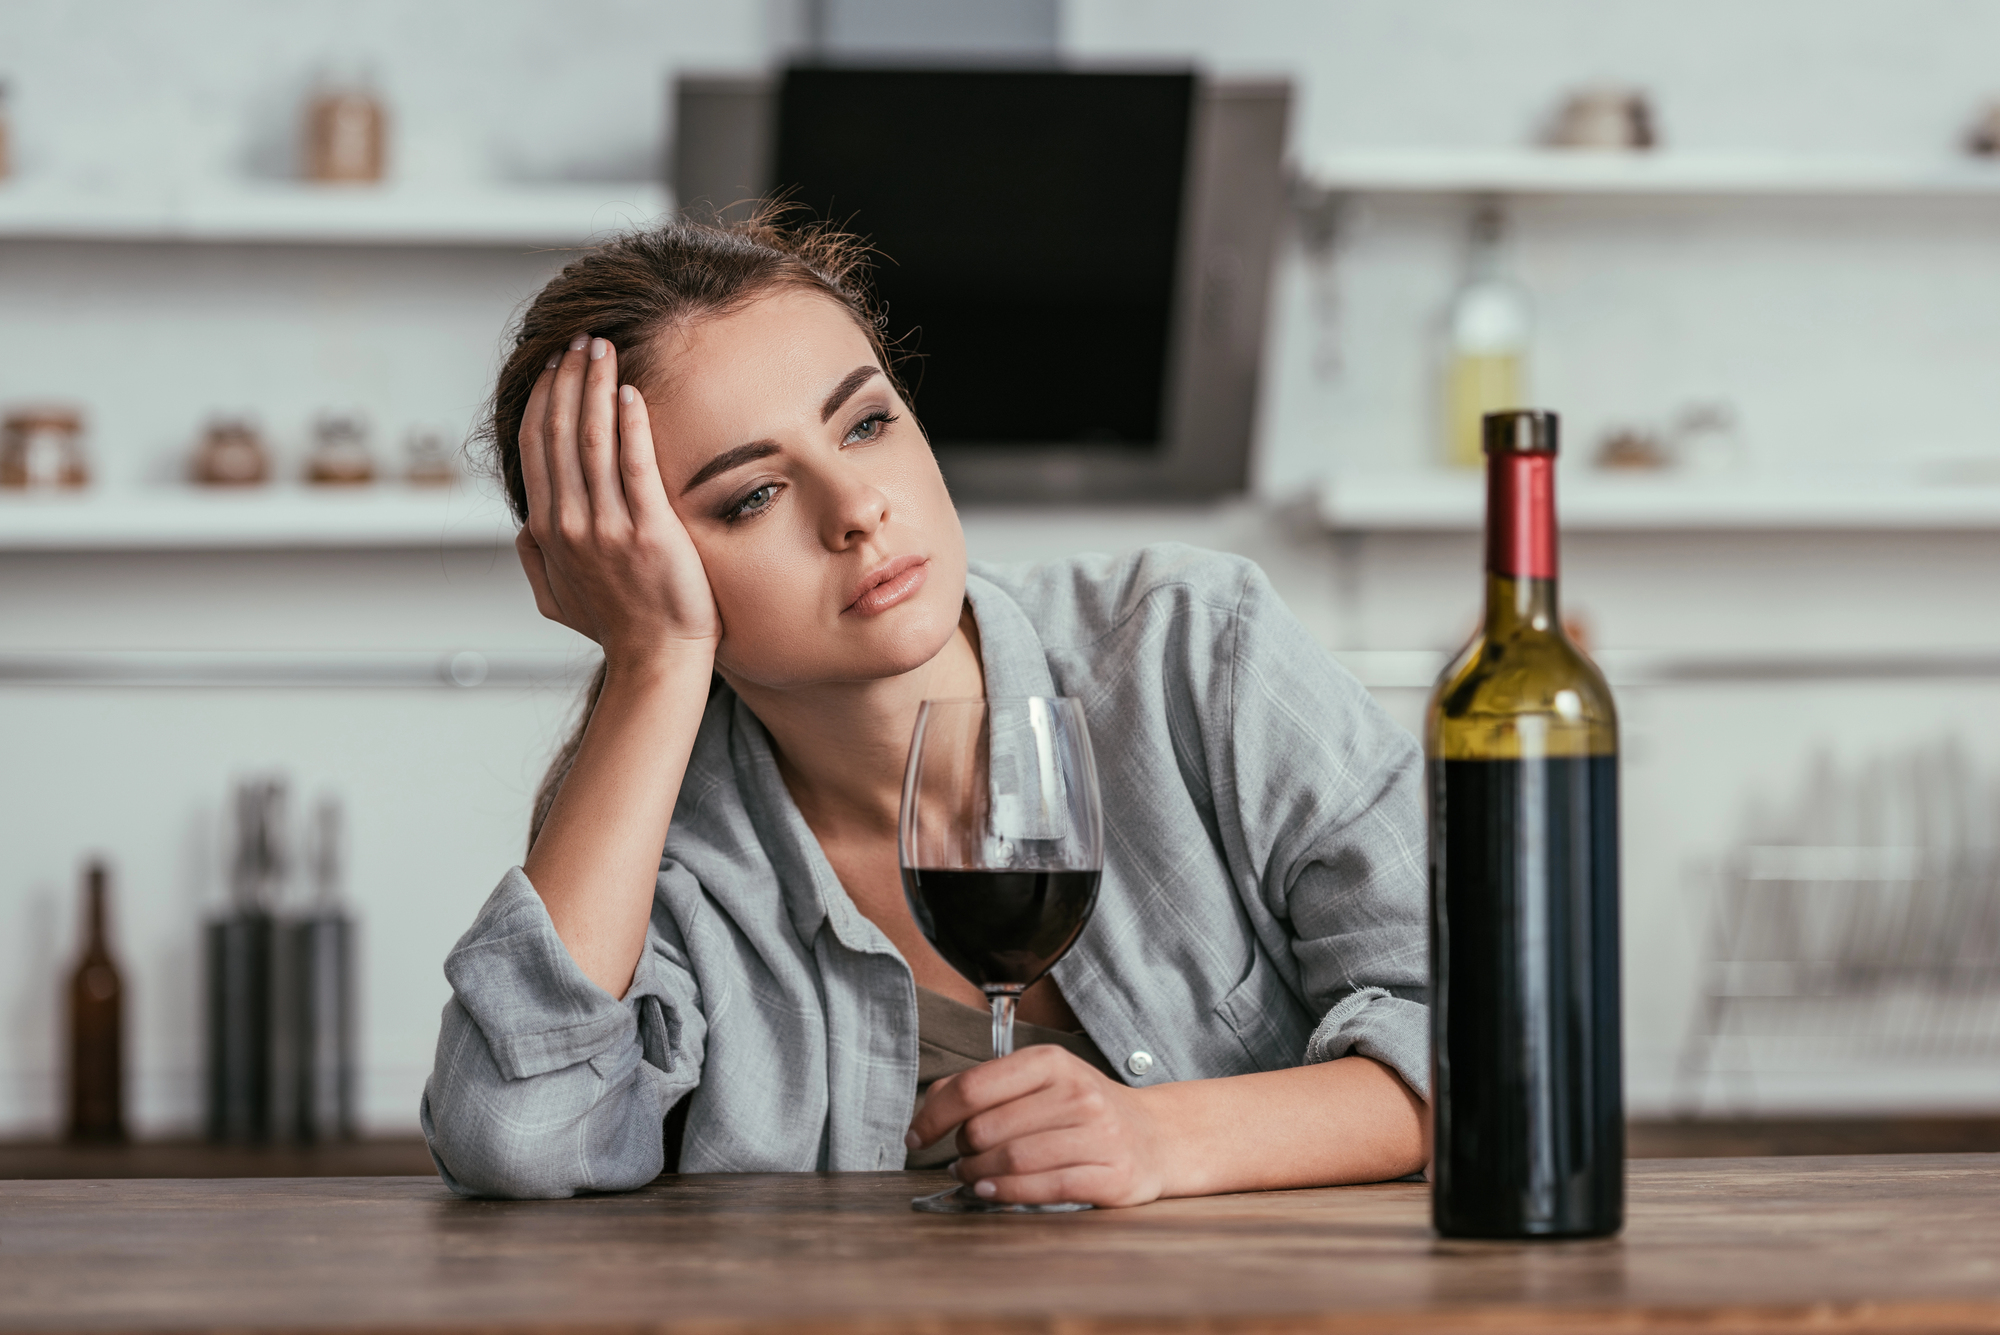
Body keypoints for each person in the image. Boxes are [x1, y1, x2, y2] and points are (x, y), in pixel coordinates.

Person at [422, 209, 1431, 1204]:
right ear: (618, 568)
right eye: (749, 497)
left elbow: (1509, 1033)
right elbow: (524, 1141)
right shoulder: (663, 856)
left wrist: (1163, 1140)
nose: (856, 508)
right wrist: (651, 660)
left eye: (865, 424)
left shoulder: (1193, 652)